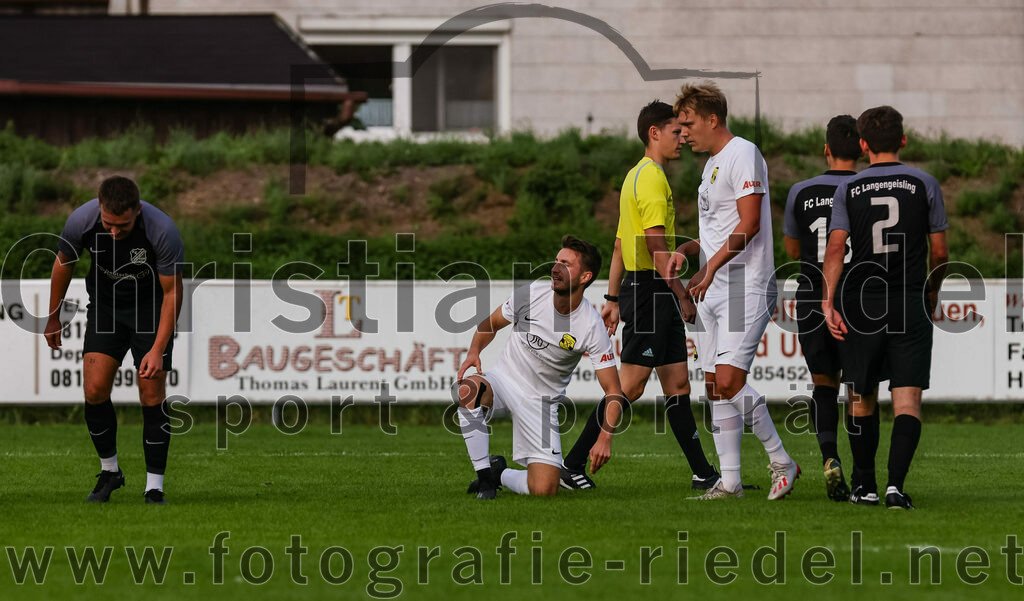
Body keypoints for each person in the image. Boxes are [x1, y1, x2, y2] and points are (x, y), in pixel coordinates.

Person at [559, 100, 719, 491]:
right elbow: (654, 245)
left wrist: (613, 299)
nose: (682, 137)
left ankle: (704, 474)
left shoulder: (635, 175)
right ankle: (572, 465)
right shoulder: (651, 178)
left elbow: (619, 244)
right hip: (651, 290)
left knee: (678, 385)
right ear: (654, 133)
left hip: (646, 288)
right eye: (676, 131)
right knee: (630, 385)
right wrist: (681, 293)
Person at [670, 81, 800, 501]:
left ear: (713, 119)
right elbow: (717, 229)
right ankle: (730, 482)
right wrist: (689, 251)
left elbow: (750, 224)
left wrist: (709, 267)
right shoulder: (711, 164)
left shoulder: (743, 152)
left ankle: (782, 460)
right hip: (713, 286)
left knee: (728, 381)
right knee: (713, 385)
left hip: (745, 285)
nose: (683, 133)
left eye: (689, 124)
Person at [822, 105, 948, 510]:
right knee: (907, 400)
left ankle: (865, 486)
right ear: (903, 140)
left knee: (861, 396)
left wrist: (827, 301)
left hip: (862, 302)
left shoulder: (848, 188)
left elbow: (836, 248)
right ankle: (895, 487)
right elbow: (940, 253)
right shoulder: (925, 183)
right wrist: (932, 291)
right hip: (909, 299)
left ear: (863, 145)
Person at [44, 176, 184, 505]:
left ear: (138, 210)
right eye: (108, 223)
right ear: (99, 208)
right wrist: (53, 316)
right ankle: (110, 472)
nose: (114, 232)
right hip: (106, 310)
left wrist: (157, 349)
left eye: (122, 225)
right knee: (94, 390)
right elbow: (63, 264)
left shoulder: (162, 230)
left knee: (151, 392)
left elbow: (172, 293)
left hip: (149, 311)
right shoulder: (81, 220)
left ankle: (154, 487)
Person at [455, 236, 625, 499]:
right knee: (468, 389)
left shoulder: (591, 325)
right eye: (556, 261)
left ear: (585, 277)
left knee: (544, 490)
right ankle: (485, 480)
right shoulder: (532, 293)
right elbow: (492, 323)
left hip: (541, 403)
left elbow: (613, 390)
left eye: (566, 264)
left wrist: (605, 438)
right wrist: (473, 352)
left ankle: (499, 473)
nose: (555, 268)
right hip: (503, 381)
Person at [782, 115, 863, 501]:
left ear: (826, 149)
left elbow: (792, 250)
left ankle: (830, 457)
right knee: (860, 388)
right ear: (861, 147)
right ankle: (863, 476)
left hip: (813, 296)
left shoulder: (800, 190)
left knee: (823, 384)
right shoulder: (866, 187)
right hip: (858, 297)